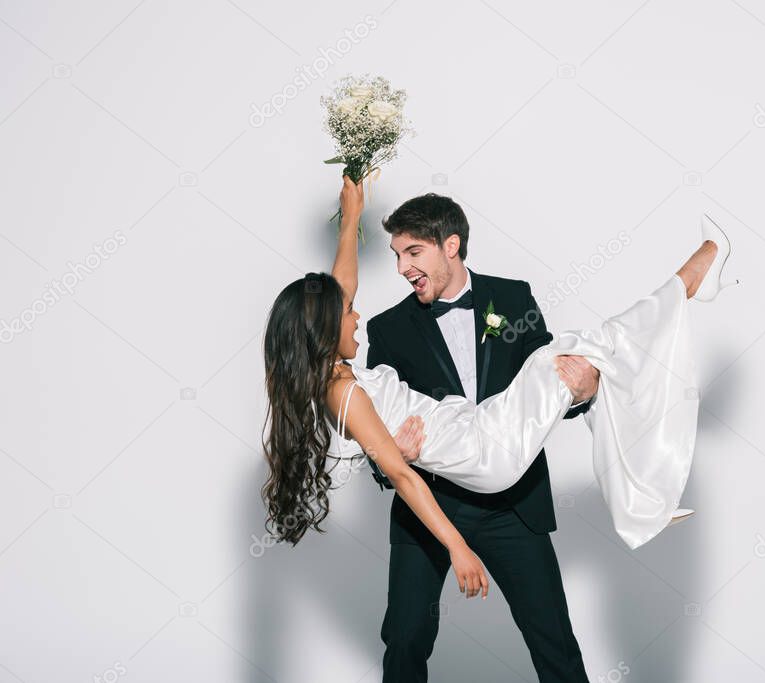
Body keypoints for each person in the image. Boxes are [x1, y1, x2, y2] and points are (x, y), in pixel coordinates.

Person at [260, 177, 738, 682]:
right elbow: (400, 475)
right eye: (348, 312)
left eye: (412, 252)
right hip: (475, 461)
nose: (359, 310)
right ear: (324, 329)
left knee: (581, 356)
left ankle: (646, 485)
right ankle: (695, 275)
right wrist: (453, 541)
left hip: (497, 466)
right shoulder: (364, 362)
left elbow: (341, 284)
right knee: (405, 639)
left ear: (452, 246)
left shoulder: (502, 300)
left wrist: (352, 211)